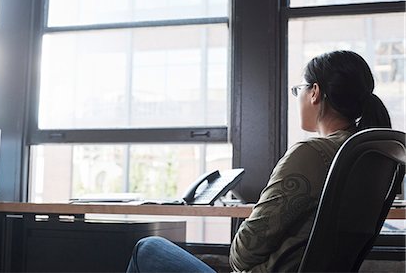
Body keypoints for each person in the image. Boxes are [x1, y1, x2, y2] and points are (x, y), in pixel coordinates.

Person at [125, 50, 392, 273]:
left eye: (299, 89)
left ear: (315, 93)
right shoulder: (370, 158)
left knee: (147, 249)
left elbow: (241, 255)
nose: (298, 96)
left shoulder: (312, 154)